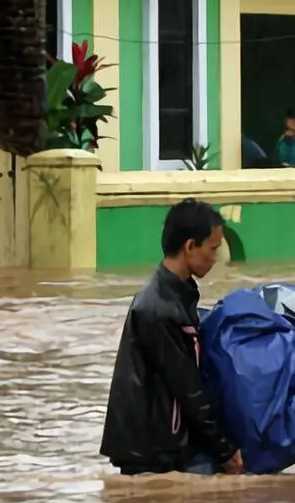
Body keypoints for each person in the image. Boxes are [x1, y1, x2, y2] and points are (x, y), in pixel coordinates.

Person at [100, 198, 243, 475]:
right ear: (190, 246)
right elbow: (189, 390)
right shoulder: (160, 309)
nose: (215, 258)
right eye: (213, 249)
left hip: (160, 445)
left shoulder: (175, 294)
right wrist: (226, 451)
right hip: (154, 454)